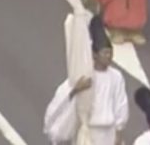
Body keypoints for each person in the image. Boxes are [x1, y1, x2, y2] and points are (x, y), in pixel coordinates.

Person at [44, 15, 129, 145]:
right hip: (89, 132)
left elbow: (121, 105)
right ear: (95, 54)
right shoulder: (84, 74)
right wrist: (76, 89)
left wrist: (118, 132)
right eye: (105, 53)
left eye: (110, 53)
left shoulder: (116, 77)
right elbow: (64, 95)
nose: (108, 57)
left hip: (108, 132)